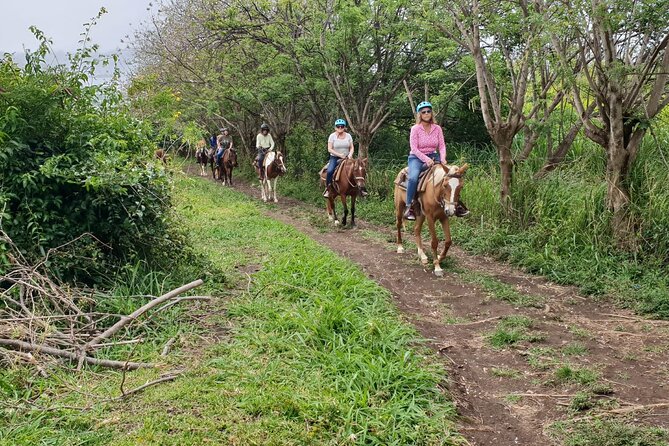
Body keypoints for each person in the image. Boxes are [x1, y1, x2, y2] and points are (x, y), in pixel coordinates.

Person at [404, 102, 469, 220]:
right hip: (417, 158)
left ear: (431, 113)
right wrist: (426, 159)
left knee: (451, 176)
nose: (426, 113)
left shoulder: (437, 128)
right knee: (413, 178)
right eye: (423, 112)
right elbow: (414, 148)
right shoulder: (415, 129)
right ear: (420, 114)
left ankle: (457, 205)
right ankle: (410, 207)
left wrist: (443, 158)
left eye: (428, 111)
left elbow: (442, 146)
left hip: (435, 156)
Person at [323, 119, 354, 198]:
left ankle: (361, 189)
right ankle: (328, 189)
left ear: (344, 127)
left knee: (358, 169)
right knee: (330, 171)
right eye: (338, 126)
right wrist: (339, 155)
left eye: (342, 126)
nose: (340, 127)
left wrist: (350, 154)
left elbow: (351, 147)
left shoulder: (348, 136)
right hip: (335, 157)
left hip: (347, 157)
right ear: (335, 127)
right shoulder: (332, 136)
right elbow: (329, 149)